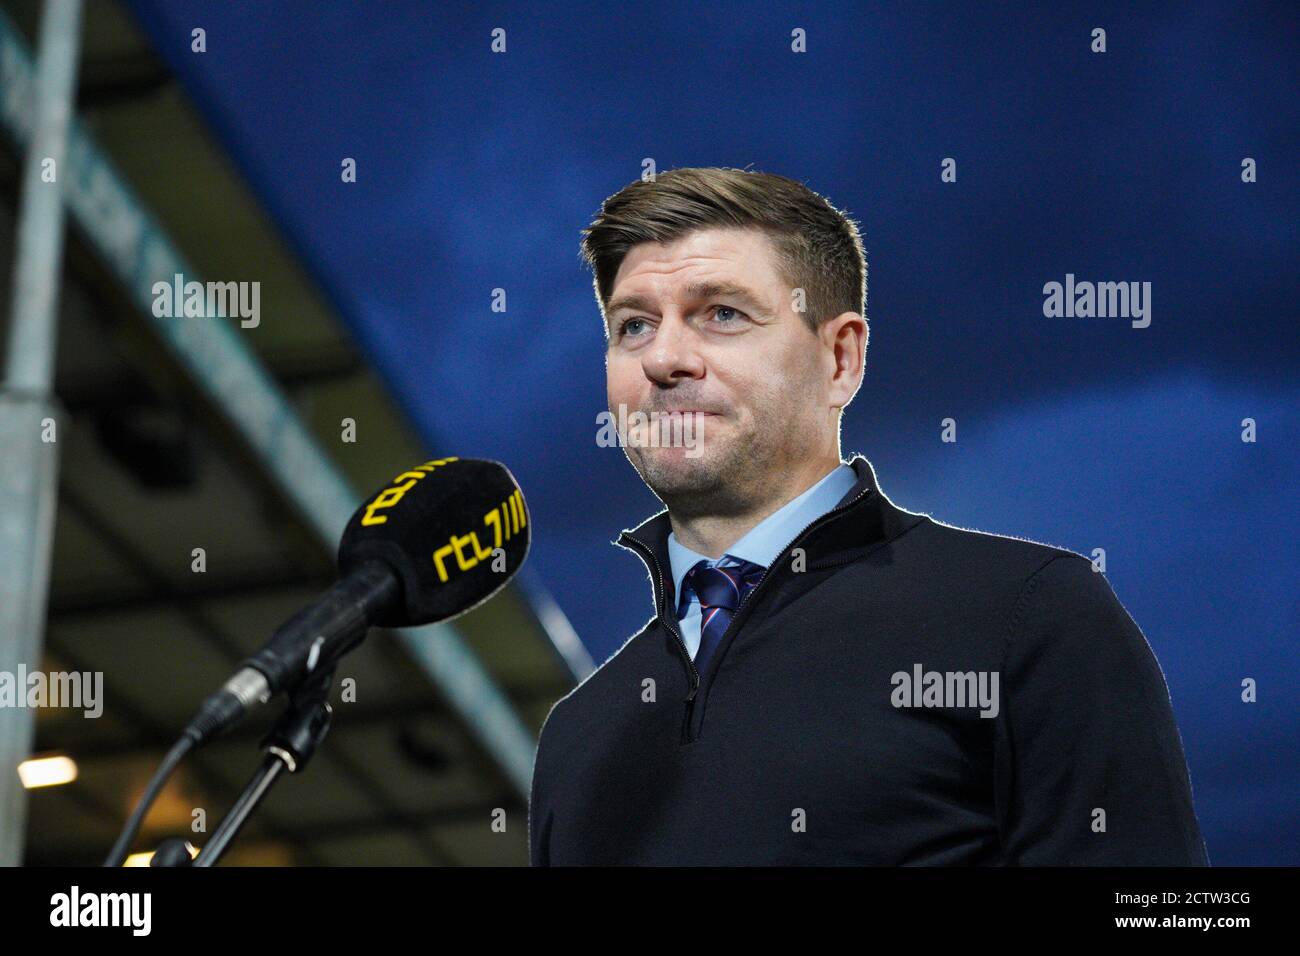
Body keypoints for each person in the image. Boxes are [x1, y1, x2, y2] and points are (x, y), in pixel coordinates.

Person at [528, 167, 1209, 865]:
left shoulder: (1027, 617)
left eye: (723, 313)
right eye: (633, 325)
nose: (665, 358)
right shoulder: (578, 735)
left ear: (841, 358)